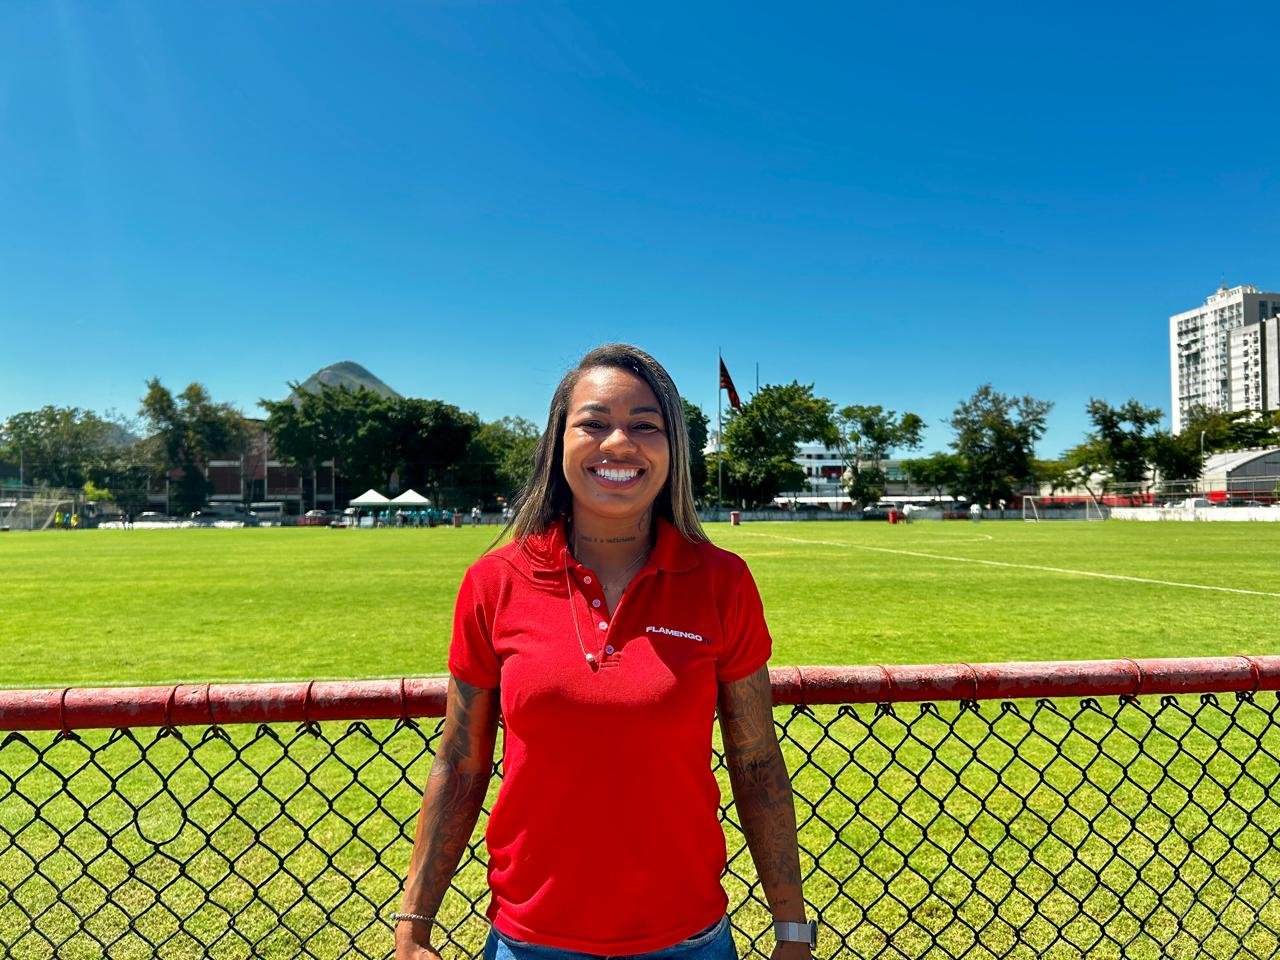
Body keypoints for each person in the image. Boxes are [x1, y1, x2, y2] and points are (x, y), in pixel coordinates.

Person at [394, 344, 814, 960]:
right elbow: (459, 763)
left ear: (674, 451)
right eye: (593, 423)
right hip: (529, 944)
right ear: (557, 442)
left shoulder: (722, 582)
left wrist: (792, 930)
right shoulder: (495, 582)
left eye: (646, 425)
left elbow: (756, 764)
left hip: (689, 943)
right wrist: (413, 927)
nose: (619, 443)